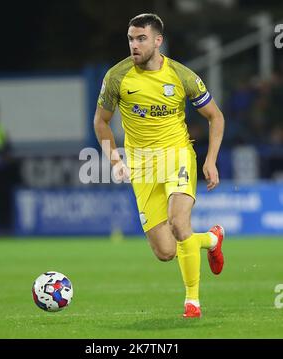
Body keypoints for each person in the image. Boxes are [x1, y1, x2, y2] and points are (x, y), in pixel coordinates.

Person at [94, 13, 225, 318]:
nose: (134, 45)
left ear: (157, 41)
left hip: (177, 155)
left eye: (141, 39)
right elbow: (100, 123)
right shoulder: (117, 77)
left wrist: (210, 159)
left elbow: (215, 116)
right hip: (141, 166)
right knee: (165, 251)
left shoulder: (182, 76)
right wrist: (115, 160)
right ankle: (212, 239)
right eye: (130, 38)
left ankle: (192, 301)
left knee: (179, 223)